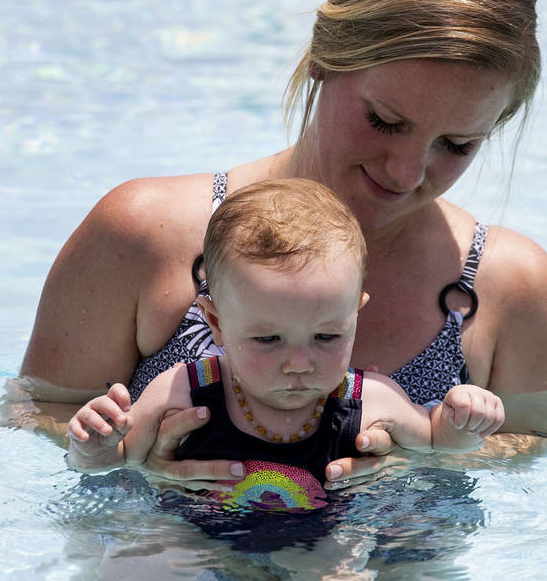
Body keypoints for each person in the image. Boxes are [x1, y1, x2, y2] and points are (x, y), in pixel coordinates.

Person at [18, 0, 547, 484]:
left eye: (457, 144)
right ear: (322, 57)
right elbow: (31, 415)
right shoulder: (143, 233)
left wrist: (419, 455)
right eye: (384, 121)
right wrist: (136, 460)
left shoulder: (508, 285)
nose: (407, 172)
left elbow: (540, 447)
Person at [66, 179, 505, 509]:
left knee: (338, 579)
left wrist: (463, 418)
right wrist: (95, 445)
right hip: (195, 540)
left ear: (356, 315)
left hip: (324, 542)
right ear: (215, 322)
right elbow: (120, 460)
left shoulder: (371, 401)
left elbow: (435, 443)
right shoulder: (182, 391)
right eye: (268, 339)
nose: (299, 363)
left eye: (327, 337)